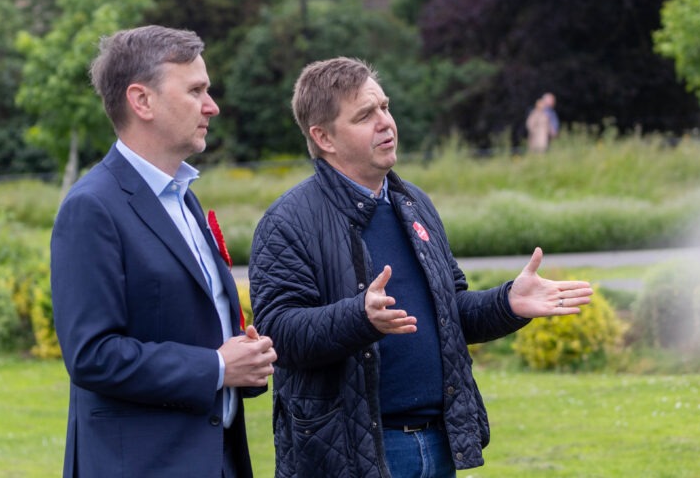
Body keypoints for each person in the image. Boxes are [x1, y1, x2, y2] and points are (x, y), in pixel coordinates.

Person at [248, 57, 593, 477]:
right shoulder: (288, 221)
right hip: (354, 455)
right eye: (364, 115)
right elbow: (278, 334)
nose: (385, 122)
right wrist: (360, 317)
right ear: (324, 137)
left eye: (385, 107)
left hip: (437, 444)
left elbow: (451, 315)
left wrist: (508, 303)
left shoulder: (414, 205)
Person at [50, 25, 277, 478]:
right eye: (196, 90)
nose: (211, 106)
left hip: (217, 459)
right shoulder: (92, 207)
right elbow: (92, 355)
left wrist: (243, 359)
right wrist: (215, 366)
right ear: (142, 101)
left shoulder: (183, 197)